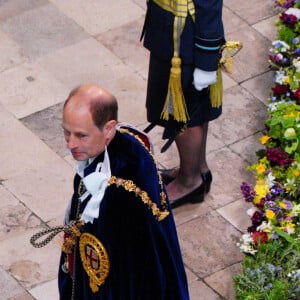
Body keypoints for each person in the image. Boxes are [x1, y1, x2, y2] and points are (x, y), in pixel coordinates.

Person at [56, 85, 189, 299]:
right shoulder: (123, 143)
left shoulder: (122, 197)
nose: (70, 144)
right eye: (66, 132)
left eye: (81, 135)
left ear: (109, 128)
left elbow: (129, 274)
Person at [141, 0, 226, 208]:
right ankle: (199, 168)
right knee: (194, 108)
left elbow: (209, 4)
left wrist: (206, 61)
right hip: (173, 30)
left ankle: (189, 182)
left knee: (183, 115)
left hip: (183, 40)